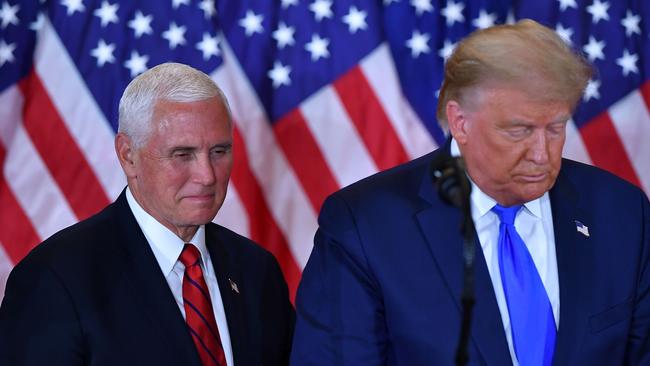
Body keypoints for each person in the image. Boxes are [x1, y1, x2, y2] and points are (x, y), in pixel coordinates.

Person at [291, 19, 650, 365]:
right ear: (460, 122)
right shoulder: (366, 227)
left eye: (555, 128)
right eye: (519, 131)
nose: (543, 153)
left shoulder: (621, 213)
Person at [0, 62, 294, 365]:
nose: (207, 175)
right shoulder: (55, 279)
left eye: (219, 152)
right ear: (128, 156)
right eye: (182, 154)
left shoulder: (257, 270)